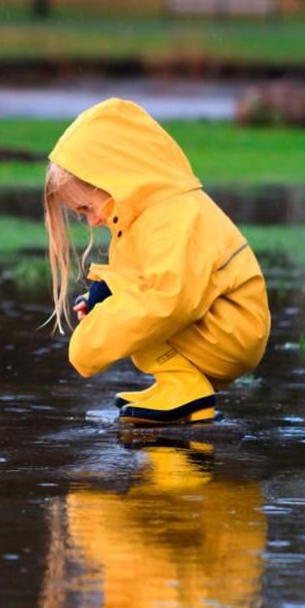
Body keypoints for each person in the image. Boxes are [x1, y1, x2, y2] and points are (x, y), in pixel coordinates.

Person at [43, 98, 270, 424]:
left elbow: (170, 301)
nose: (92, 222)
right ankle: (177, 383)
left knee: (141, 316)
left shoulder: (172, 215)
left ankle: (187, 390)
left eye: (87, 209)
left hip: (230, 335)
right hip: (218, 328)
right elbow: (142, 277)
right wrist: (103, 296)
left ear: (112, 179)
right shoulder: (147, 214)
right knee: (132, 311)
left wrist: (92, 341)